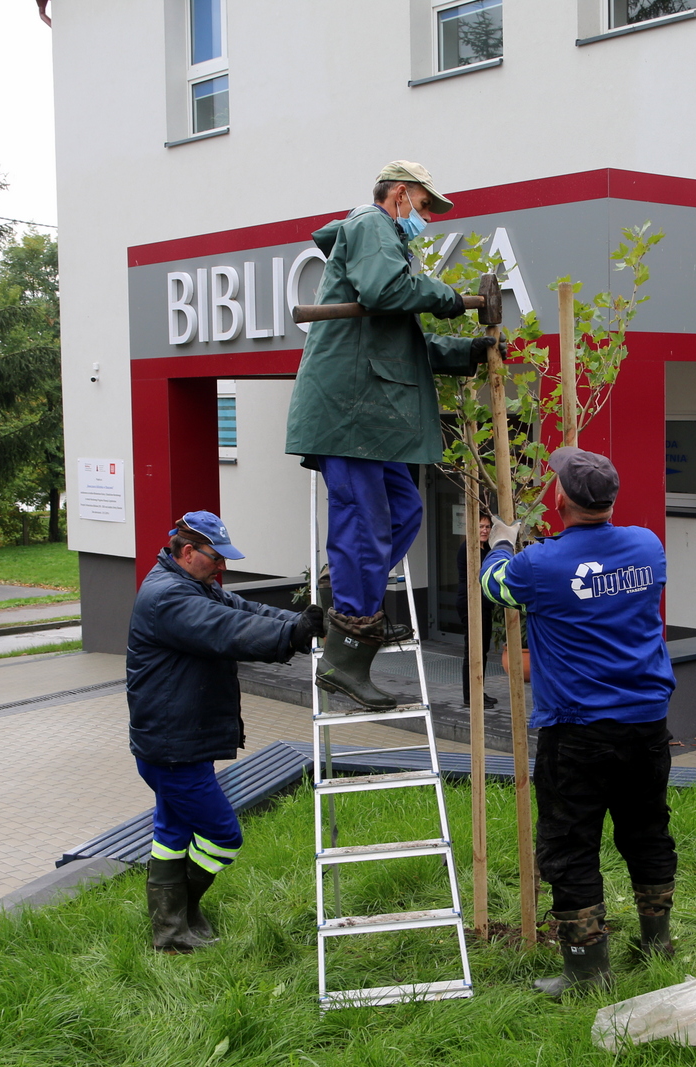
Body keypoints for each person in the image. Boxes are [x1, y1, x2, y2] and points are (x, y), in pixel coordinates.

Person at [285, 160, 495, 711]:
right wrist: (449, 296)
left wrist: (464, 353)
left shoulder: (386, 250)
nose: (427, 219)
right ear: (400, 194)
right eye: (425, 207)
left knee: (404, 512)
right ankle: (345, 653)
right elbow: (384, 291)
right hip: (348, 415)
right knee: (366, 522)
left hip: (371, 421)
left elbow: (404, 346)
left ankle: (346, 595)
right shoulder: (371, 224)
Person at [480, 447, 678, 996]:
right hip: (647, 723)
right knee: (647, 830)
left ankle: (587, 972)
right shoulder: (648, 546)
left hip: (579, 730)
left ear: (560, 499)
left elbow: (494, 587)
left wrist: (498, 540)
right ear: (612, 499)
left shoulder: (541, 564)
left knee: (569, 846)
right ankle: (657, 942)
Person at [126, 510, 325, 953]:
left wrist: (300, 623)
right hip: (172, 746)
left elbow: (245, 609)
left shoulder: (193, 585)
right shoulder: (169, 598)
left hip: (175, 740)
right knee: (222, 835)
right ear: (189, 551)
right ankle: (178, 918)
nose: (223, 568)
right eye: (216, 559)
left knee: (172, 833)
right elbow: (228, 628)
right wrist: (291, 635)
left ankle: (171, 929)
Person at [457, 510, 498, 709]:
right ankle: (470, 696)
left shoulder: (486, 548)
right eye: (480, 527)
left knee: (482, 651)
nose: (484, 530)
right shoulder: (469, 550)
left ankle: (478, 691)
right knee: (473, 651)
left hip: (484, 604)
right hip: (471, 604)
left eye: (487, 527)